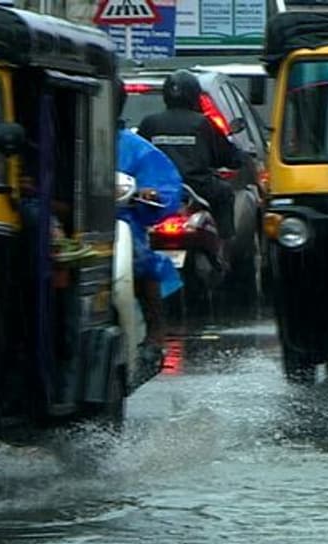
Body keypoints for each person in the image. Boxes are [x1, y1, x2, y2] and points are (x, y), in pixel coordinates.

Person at [114, 77, 184, 353]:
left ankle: (156, 329)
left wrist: (150, 194)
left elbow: (164, 184)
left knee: (142, 261)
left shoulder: (135, 146)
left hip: (123, 224)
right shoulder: (68, 141)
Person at [137, 70, 243, 248]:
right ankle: (225, 246)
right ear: (194, 95)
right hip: (198, 187)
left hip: (157, 189)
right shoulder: (202, 123)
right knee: (225, 193)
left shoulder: (149, 122)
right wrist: (236, 159)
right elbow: (227, 156)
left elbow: (139, 157)